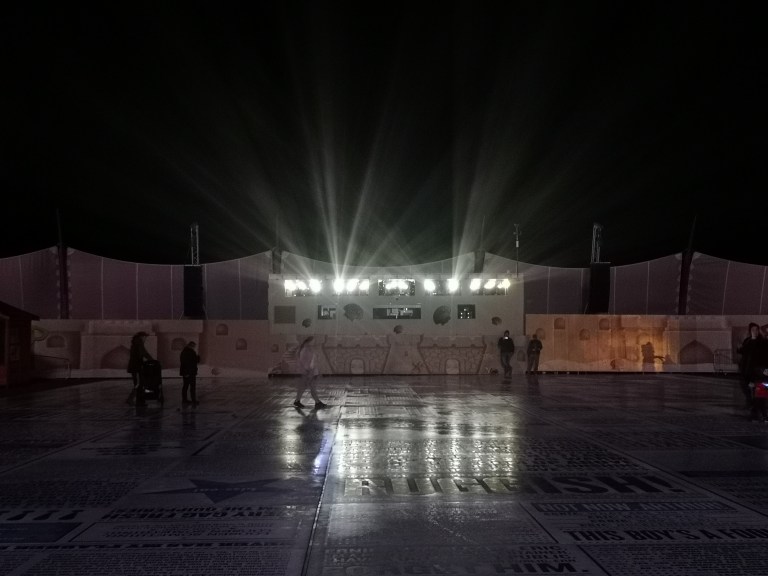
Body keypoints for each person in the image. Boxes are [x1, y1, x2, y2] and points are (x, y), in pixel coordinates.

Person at [737, 322, 766, 408]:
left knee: (759, 388)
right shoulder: (747, 341)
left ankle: (759, 407)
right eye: (753, 329)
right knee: (746, 386)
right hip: (747, 368)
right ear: (750, 331)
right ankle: (751, 403)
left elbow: (765, 355)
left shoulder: (762, 341)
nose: (755, 331)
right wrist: (739, 349)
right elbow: (743, 351)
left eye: (756, 329)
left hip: (758, 369)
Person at [294, 336, 328, 409]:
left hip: (310, 372)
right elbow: (304, 362)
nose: (314, 342)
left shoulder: (309, 349)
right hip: (308, 372)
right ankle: (317, 402)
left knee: (304, 387)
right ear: (309, 342)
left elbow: (312, 361)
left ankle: (297, 401)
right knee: (311, 388)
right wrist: (309, 371)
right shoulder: (305, 350)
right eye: (313, 341)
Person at [126, 331, 153, 406]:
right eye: (145, 337)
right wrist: (151, 360)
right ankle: (131, 399)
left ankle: (139, 400)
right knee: (139, 384)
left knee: (139, 384)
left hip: (135, 366)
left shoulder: (136, 343)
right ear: (142, 337)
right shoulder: (139, 343)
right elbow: (144, 353)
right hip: (136, 367)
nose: (145, 339)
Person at [180, 341, 200, 406]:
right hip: (190, 372)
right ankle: (193, 400)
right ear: (192, 346)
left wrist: (185, 372)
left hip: (187, 372)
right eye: (194, 346)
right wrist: (198, 356)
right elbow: (195, 361)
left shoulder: (184, 352)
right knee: (192, 387)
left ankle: (185, 400)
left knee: (185, 386)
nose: (194, 347)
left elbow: (184, 363)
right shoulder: (191, 352)